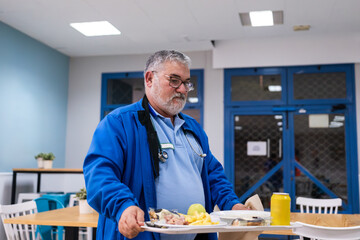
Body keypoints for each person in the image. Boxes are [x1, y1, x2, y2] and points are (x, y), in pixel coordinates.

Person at [83, 50, 248, 240]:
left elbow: (213, 175)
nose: (183, 89)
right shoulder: (119, 123)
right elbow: (99, 176)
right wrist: (124, 206)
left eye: (186, 82)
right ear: (149, 78)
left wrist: (233, 205)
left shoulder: (193, 128)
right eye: (174, 80)